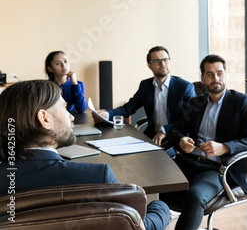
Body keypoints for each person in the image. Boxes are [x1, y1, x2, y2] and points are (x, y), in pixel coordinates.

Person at [0, 80, 170, 230]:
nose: (71, 117)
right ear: (45, 119)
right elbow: (135, 226)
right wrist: (160, 208)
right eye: (65, 108)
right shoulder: (97, 177)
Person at [160, 54, 247, 230]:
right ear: (202, 78)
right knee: (153, 186)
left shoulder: (243, 102)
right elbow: (175, 130)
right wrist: (181, 140)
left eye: (220, 73)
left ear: (226, 75)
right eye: (210, 74)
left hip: (218, 169)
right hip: (188, 162)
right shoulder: (196, 102)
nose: (216, 79)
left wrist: (224, 147)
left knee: (196, 195)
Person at [93, 46, 196, 146]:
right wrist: (105, 114)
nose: (163, 64)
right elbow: (128, 108)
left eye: (165, 60)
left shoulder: (185, 87)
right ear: (149, 65)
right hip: (152, 136)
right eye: (157, 61)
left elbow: (188, 118)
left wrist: (164, 131)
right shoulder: (145, 85)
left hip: (177, 138)